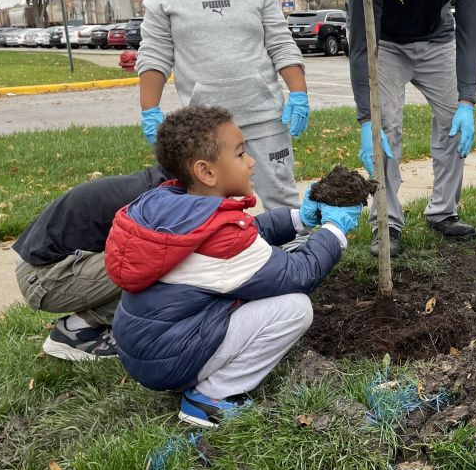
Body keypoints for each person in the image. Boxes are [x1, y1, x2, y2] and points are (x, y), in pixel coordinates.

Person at [104, 106, 362, 428]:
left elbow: (251, 234)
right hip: (166, 358)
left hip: (148, 345)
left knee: (251, 290)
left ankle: (200, 374)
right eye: (241, 155)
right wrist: (334, 231)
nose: (252, 162)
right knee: (295, 308)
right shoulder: (224, 244)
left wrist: (301, 219)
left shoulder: (177, 205)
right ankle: (209, 398)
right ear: (207, 172)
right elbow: (298, 274)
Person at [347, 0, 476, 256]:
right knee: (386, 129)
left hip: (437, 40)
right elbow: (362, 42)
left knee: (452, 124)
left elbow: (471, 31)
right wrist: (365, 119)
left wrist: (467, 101)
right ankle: (387, 223)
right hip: (386, 43)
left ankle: (443, 211)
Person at [136, 0, 308, 210]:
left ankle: (292, 253)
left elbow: (282, 47)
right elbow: (154, 56)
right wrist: (151, 111)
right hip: (207, 130)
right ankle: (225, 256)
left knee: (282, 199)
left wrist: (298, 93)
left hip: (264, 117)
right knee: (210, 205)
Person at [13, 165, 171, 361]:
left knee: (163, 258)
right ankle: (78, 330)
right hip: (43, 276)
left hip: (50, 264)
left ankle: (102, 322)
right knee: (168, 261)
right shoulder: (162, 199)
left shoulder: (160, 183)